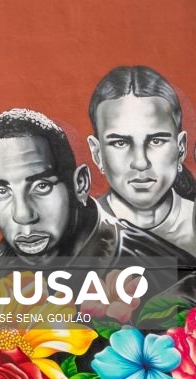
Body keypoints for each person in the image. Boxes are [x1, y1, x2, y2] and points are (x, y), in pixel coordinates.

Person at [0, 108, 196, 270]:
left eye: (41, 186)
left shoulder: (166, 278)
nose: (23, 215)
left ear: (80, 183)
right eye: (1, 192)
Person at [87, 65, 196, 255]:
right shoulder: (81, 233)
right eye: (120, 142)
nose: (140, 162)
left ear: (181, 148)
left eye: (156, 141)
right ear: (97, 154)